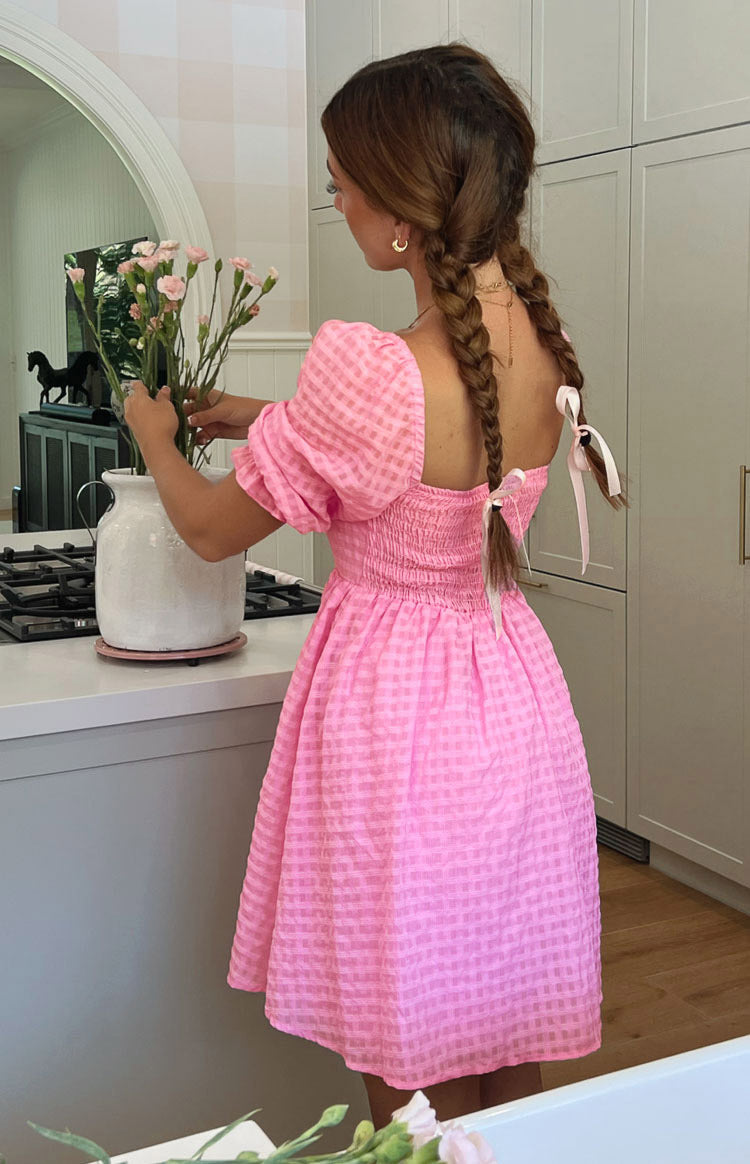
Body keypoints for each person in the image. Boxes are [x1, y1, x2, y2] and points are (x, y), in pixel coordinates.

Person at [124, 43, 627, 1128]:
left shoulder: (372, 369)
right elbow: (425, 447)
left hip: (401, 718)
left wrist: (155, 435)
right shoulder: (542, 340)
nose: (338, 199)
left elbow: (208, 530)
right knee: (503, 1027)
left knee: (409, 1048)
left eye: (343, 181)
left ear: (401, 209)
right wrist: (260, 416)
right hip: (511, 704)